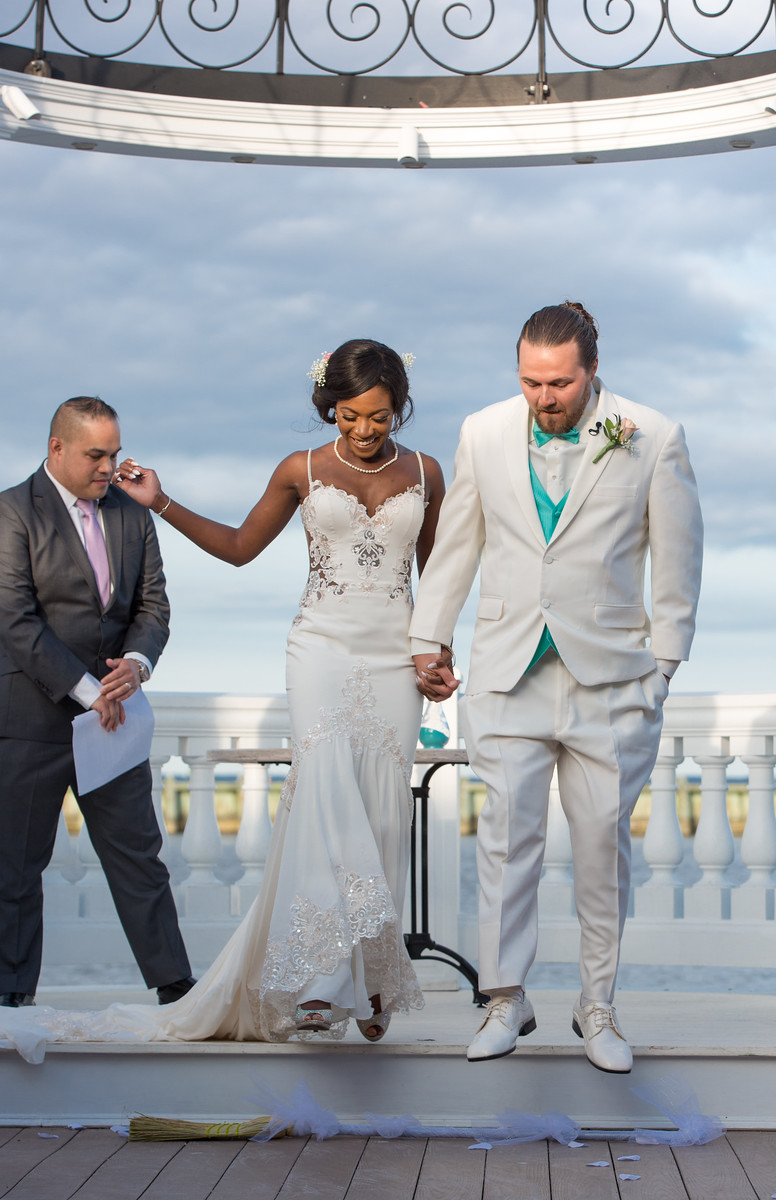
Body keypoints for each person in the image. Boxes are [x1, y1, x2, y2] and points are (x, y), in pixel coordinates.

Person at [0, 339, 445, 1061]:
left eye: (379, 416)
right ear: (330, 407)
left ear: (400, 406)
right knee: (327, 801)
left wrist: (437, 652)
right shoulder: (299, 470)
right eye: (349, 415)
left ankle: (370, 977)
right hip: (318, 652)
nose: (364, 429)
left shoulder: (426, 473)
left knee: (383, 810)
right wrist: (163, 502)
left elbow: (440, 576)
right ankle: (318, 982)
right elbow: (238, 547)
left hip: (395, 660)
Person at [410, 302, 703, 1073]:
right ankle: (504, 998)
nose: (545, 397)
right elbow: (457, 544)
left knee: (602, 846)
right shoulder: (482, 431)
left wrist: (663, 667)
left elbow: (678, 559)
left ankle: (597, 1005)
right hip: (507, 671)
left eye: (561, 383)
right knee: (506, 843)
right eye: (531, 381)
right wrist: (428, 638)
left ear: (592, 370)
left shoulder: (652, 435)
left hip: (612, 679)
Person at [0, 396, 194, 1010]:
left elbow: (153, 606)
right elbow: (15, 620)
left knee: (139, 858)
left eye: (114, 453)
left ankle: (177, 992)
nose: (109, 466)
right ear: (56, 448)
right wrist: (91, 693)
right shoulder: (10, 511)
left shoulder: (133, 514)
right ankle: (10, 1003)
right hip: (31, 719)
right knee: (14, 868)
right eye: (95, 455)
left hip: (114, 723)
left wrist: (135, 666)